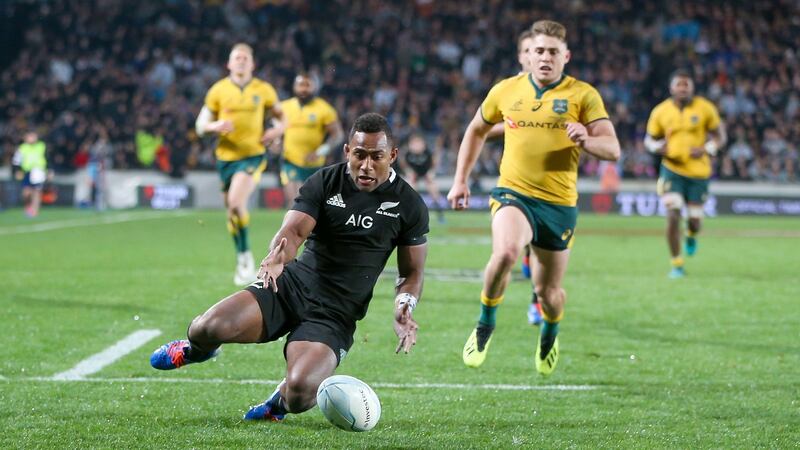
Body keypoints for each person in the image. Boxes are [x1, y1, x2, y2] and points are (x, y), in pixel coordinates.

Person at [150, 113, 429, 422]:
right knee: (206, 327)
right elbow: (294, 232)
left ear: (392, 155)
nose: (366, 165)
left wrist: (405, 304)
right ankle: (197, 351)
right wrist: (277, 257)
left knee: (300, 392)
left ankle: (277, 404)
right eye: (359, 155)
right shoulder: (325, 182)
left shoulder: (409, 204)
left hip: (335, 313)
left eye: (376, 156)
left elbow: (412, 271)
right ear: (347, 150)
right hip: (290, 286)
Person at [447, 20, 620, 376]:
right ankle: (485, 324)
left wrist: (586, 140)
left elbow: (613, 148)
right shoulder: (506, 90)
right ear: (528, 55)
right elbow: (476, 129)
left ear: (565, 56)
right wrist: (460, 180)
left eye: (553, 52)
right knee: (507, 252)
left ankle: (550, 332)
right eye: (539, 51)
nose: (545, 57)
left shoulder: (583, 95)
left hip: (558, 206)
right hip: (514, 193)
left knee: (549, 294)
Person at [195, 43, 286, 285]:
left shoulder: (264, 89)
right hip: (225, 158)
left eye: (246, 58)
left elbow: (282, 117)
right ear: (229, 63)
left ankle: (246, 257)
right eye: (237, 58)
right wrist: (214, 126)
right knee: (231, 212)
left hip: (252, 156)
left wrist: (277, 130)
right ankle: (241, 256)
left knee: (236, 203)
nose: (241, 61)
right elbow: (200, 125)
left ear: (252, 64)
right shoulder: (218, 90)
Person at [486, 28, 543, 326]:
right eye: (529, 50)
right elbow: (482, 129)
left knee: (541, 253)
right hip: (514, 182)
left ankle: (537, 300)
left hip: (549, 187)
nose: (536, 55)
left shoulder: (562, 93)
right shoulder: (508, 90)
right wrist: (514, 125)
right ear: (522, 56)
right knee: (510, 247)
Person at [644, 69, 726, 279]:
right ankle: (677, 264)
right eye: (678, 85)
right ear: (671, 88)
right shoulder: (660, 111)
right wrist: (656, 147)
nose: (682, 88)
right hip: (672, 170)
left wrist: (707, 149)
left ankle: (691, 235)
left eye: (686, 85)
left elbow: (720, 137)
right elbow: (649, 139)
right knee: (672, 214)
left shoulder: (705, 108)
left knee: (695, 221)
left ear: (692, 88)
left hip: (699, 174)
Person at [279, 73, 344, 206]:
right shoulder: (284, 107)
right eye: (300, 85)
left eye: (307, 85)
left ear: (315, 87)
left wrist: (320, 152)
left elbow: (337, 135)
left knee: (310, 205)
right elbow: (274, 127)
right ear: (294, 86)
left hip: (314, 165)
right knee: (295, 202)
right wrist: (275, 142)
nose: (303, 89)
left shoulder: (324, 109)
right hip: (290, 161)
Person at [400, 133, 446, 223]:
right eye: (414, 143)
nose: (416, 146)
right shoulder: (407, 153)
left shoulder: (428, 152)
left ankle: (440, 214)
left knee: (434, 191)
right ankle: (408, 215)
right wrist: (408, 171)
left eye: (419, 143)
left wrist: (431, 172)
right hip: (414, 175)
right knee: (410, 191)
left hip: (426, 174)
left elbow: (434, 164)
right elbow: (403, 163)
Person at [12, 131, 49, 217]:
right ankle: (28, 206)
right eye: (30, 136)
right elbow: (16, 161)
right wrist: (17, 171)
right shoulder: (22, 148)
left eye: (33, 136)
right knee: (26, 193)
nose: (32, 138)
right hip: (26, 172)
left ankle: (35, 211)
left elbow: (47, 158)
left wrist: (49, 170)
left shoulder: (42, 146)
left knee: (37, 191)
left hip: (38, 171)